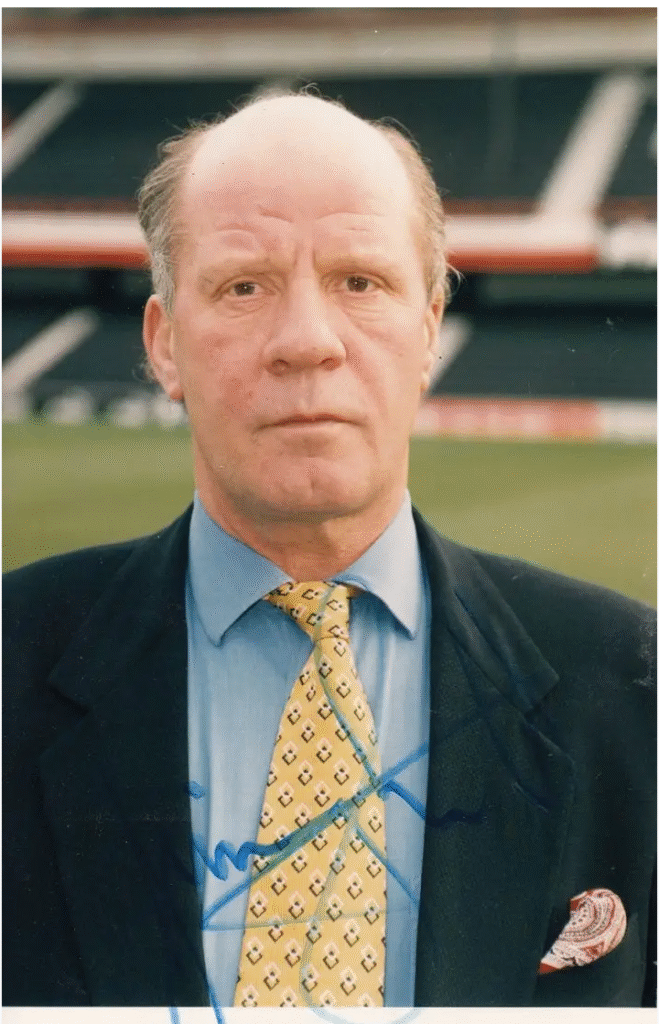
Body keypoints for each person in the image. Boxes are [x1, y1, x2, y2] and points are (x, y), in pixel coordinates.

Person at [3, 91, 655, 1009]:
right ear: (164, 346)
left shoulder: (636, 691)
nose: (306, 342)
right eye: (243, 285)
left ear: (429, 326)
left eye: (360, 281)